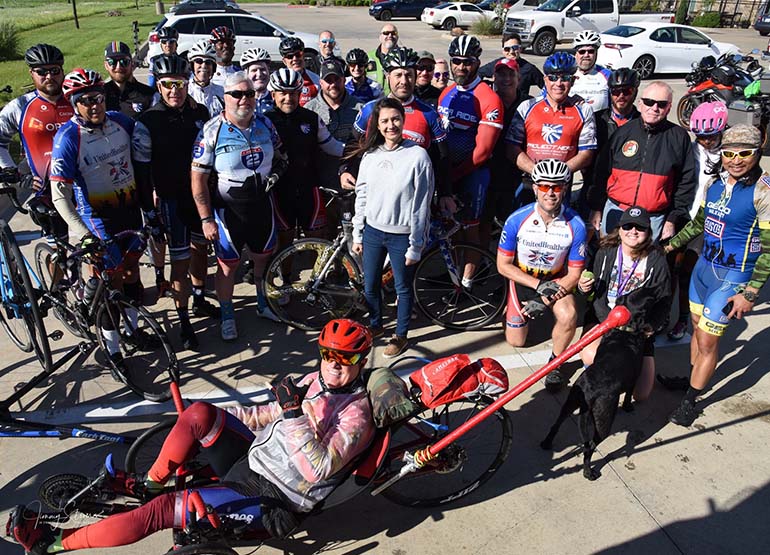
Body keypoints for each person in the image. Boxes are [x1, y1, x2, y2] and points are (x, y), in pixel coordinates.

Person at [7, 319, 377, 553]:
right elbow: (266, 416)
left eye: (345, 359)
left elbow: (318, 469)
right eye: (328, 354)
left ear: (360, 361)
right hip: (252, 461)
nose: (333, 365)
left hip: (275, 497)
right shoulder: (315, 381)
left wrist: (295, 414)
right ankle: (151, 484)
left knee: (163, 512)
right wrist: (220, 419)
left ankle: (52, 544)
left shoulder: (357, 415)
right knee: (198, 413)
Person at [661, 124, 770, 426]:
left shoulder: (764, 191)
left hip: (733, 277)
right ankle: (693, 379)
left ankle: (690, 401)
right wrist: (670, 246)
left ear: (757, 153)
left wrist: (750, 292)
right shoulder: (715, 183)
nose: (736, 160)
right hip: (703, 270)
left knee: (708, 341)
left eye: (744, 153)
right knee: (697, 331)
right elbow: (698, 225)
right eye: (729, 153)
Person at [51, 69, 157, 372]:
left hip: (129, 211)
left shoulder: (122, 122)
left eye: (97, 97)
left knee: (132, 272)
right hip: (97, 220)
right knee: (111, 285)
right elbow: (61, 197)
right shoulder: (68, 139)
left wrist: (150, 209)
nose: (93, 105)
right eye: (85, 100)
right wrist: (83, 234)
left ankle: (132, 331)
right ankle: (112, 352)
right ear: (74, 104)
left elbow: (143, 166)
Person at [191, 72, 288, 341]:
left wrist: (277, 175)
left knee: (262, 258)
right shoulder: (212, 130)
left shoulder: (266, 124)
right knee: (227, 266)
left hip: (261, 207)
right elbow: (197, 178)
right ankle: (227, 314)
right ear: (225, 98)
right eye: (237, 94)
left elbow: (283, 158)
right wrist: (206, 218)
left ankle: (262, 303)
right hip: (228, 211)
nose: (244, 99)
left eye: (249, 94)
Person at [132, 54, 216, 351]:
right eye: (167, 84)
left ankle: (199, 299)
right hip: (170, 201)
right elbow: (142, 173)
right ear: (158, 84)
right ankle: (183, 321)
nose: (174, 91)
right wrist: (149, 213)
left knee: (201, 252)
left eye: (180, 84)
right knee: (179, 262)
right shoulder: (147, 122)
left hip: (200, 198)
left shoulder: (200, 112)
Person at [351, 98, 434, 359]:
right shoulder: (370, 155)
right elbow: (361, 195)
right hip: (374, 232)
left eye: (395, 119)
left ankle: (400, 335)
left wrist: (415, 245)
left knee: (402, 288)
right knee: (370, 285)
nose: (391, 125)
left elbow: (422, 204)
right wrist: (358, 232)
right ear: (377, 123)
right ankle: (375, 325)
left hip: (402, 236)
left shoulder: (418, 156)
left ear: (403, 119)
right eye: (385, 121)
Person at [496, 159, 587, 391]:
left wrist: (544, 300)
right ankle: (513, 309)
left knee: (569, 315)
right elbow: (503, 265)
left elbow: (575, 273)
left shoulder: (576, 224)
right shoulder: (517, 219)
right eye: (545, 187)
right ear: (535, 188)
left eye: (556, 187)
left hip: (556, 280)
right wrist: (537, 288)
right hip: (523, 278)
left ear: (565, 189)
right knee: (516, 341)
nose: (550, 193)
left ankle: (555, 364)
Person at [342, 47, 453, 215]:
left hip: (414, 200)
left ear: (415, 76)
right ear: (388, 77)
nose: (404, 81)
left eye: (409, 74)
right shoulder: (370, 109)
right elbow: (353, 142)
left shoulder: (429, 113)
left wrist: (445, 193)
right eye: (398, 75)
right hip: (376, 198)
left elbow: (442, 156)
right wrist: (345, 170)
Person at [577, 206, 671, 401]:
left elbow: (664, 300)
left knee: (641, 394)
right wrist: (583, 287)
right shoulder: (605, 252)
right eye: (627, 226)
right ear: (619, 229)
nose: (633, 231)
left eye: (640, 227)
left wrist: (651, 326)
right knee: (590, 355)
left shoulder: (657, 259)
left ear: (648, 231)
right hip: (604, 320)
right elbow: (593, 293)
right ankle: (601, 383)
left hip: (636, 328)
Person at [589, 81, 696, 242]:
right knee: (608, 259)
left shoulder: (679, 137)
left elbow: (686, 181)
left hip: (652, 217)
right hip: (617, 210)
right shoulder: (623, 132)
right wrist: (597, 208)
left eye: (661, 104)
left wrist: (673, 218)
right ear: (640, 103)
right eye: (649, 102)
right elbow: (601, 172)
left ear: (669, 107)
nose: (654, 108)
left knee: (642, 265)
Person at [438, 35, 504, 290]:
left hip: (472, 174)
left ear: (477, 63)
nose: (461, 67)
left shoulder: (488, 98)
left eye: (468, 62)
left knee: (470, 230)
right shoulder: (447, 92)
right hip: (448, 174)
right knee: (450, 230)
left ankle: (467, 283)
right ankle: (454, 274)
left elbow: (483, 152)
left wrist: (452, 175)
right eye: (456, 61)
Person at [266, 67, 344, 273]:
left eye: (293, 92)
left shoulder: (311, 117)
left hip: (310, 188)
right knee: (285, 241)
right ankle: (287, 282)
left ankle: (317, 281)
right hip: (281, 191)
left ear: (300, 93)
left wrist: (362, 151)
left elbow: (332, 146)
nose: (288, 97)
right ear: (273, 94)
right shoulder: (265, 121)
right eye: (282, 92)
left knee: (317, 239)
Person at [667, 101, 727, 342]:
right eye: (701, 137)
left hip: (708, 223)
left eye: (711, 137)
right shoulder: (690, 150)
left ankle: (683, 318)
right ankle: (664, 314)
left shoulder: (729, 156)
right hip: (684, 216)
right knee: (671, 269)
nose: (706, 142)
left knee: (688, 273)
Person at [0, 44, 72, 244]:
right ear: (31, 73)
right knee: (59, 248)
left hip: (85, 184)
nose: (49, 76)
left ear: (62, 71)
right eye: (42, 72)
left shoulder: (75, 99)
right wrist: (15, 172)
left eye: (55, 70)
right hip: (46, 189)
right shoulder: (20, 106)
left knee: (95, 246)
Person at [506, 52, 596, 202]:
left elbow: (586, 154)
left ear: (573, 81)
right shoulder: (527, 107)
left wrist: (558, 174)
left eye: (565, 78)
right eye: (553, 77)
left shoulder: (583, 110)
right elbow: (511, 148)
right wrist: (537, 172)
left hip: (561, 186)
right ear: (545, 80)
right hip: (529, 181)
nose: (558, 83)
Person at [306, 60, 365, 238]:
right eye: (328, 80)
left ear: (343, 79)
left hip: (352, 181)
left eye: (337, 79)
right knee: (325, 234)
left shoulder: (361, 109)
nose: (333, 84)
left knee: (353, 233)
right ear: (320, 82)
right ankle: (330, 267)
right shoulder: (310, 110)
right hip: (321, 184)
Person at [479, 58, 528, 252]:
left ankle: (511, 268)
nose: (506, 78)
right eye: (501, 74)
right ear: (493, 77)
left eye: (511, 74)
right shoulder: (487, 100)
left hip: (517, 175)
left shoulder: (529, 103)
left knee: (515, 225)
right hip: (489, 172)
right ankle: (482, 261)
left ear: (519, 77)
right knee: (484, 222)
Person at [479, 33, 543, 98]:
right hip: (500, 105)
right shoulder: (497, 64)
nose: (511, 52)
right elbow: (478, 73)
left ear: (520, 49)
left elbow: (546, 86)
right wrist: (487, 88)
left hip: (519, 106)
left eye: (515, 48)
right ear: (503, 51)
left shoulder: (529, 69)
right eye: (507, 49)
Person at [103, 41, 154, 119]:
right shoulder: (101, 96)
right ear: (106, 65)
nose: (118, 67)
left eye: (124, 62)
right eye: (112, 62)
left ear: (132, 63)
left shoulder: (150, 95)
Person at [570, 31, 611, 115]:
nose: (586, 55)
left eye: (591, 51)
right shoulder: (567, 74)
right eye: (582, 52)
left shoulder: (607, 75)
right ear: (576, 54)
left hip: (600, 124)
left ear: (596, 53)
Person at [187, 40, 225, 117]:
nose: (204, 66)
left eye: (208, 62)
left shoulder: (221, 92)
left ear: (213, 68)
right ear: (192, 66)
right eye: (199, 61)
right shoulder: (184, 91)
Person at [279, 37, 320, 107]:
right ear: (284, 61)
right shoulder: (277, 80)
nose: (295, 59)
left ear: (303, 55)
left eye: (298, 55)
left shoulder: (316, 80)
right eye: (290, 56)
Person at [240, 47, 274, 115]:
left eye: (263, 69)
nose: (259, 74)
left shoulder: (276, 98)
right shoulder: (240, 100)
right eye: (254, 70)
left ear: (268, 70)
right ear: (246, 73)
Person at [368, 24, 399, 94]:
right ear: (380, 37)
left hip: (395, 101)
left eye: (393, 33)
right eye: (386, 33)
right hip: (373, 101)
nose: (390, 36)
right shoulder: (368, 58)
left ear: (397, 37)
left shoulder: (404, 58)